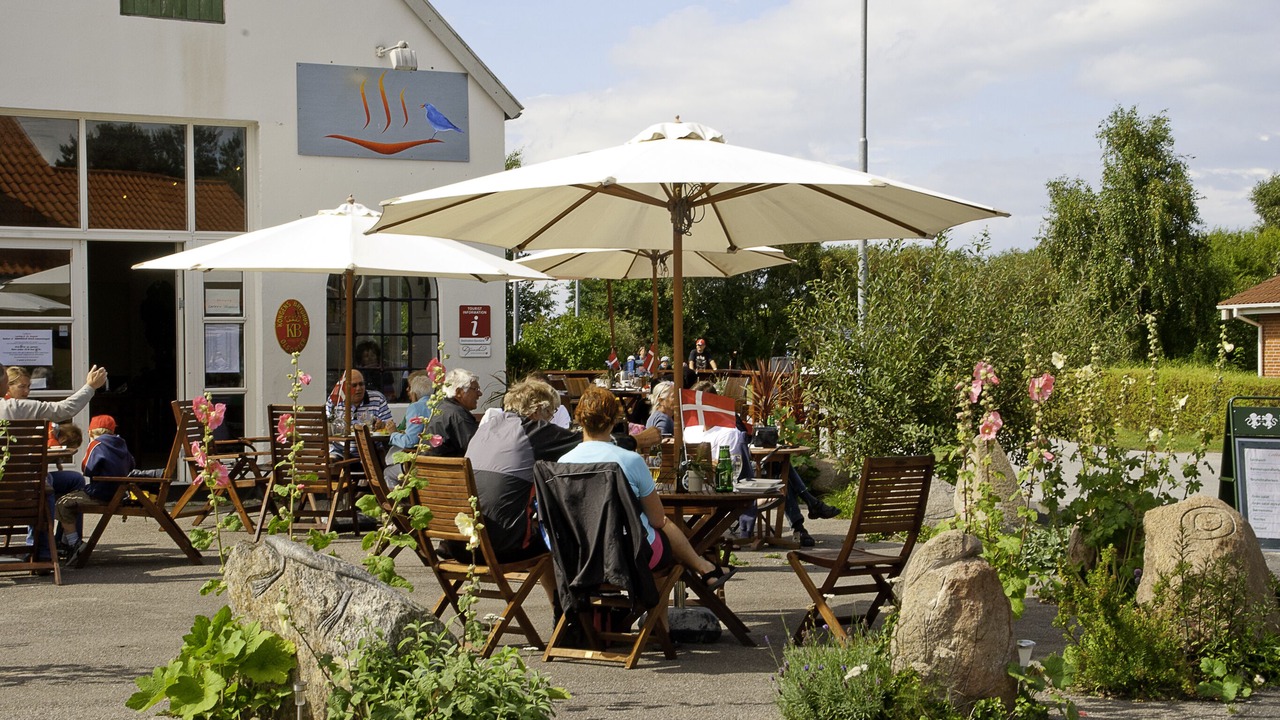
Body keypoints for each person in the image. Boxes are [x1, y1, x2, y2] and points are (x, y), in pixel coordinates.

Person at [558, 386, 736, 590]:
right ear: (615, 420)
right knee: (660, 525)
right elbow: (657, 518)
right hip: (629, 555)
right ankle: (700, 571)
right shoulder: (629, 460)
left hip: (580, 557)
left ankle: (659, 611)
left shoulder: (562, 464)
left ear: (579, 419)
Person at [0, 363, 109, 563]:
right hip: (22, 490)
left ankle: (63, 542)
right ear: (5, 384)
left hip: (8, 490)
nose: (26, 391)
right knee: (44, 482)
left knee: (73, 480)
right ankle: (43, 552)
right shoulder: (16, 407)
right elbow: (62, 410)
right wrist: (90, 387)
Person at [52, 415, 162, 563]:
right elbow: (131, 464)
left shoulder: (96, 445)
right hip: (119, 493)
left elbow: (86, 468)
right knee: (71, 500)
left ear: (91, 432)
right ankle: (65, 543)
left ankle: (73, 543)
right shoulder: (121, 443)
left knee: (63, 503)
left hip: (99, 493)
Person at [382, 371, 434, 488]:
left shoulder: (415, 407)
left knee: (387, 473)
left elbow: (410, 441)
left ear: (414, 394)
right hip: (438, 460)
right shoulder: (439, 404)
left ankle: (397, 504)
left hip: (420, 463)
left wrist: (393, 434)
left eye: (410, 390)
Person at [325, 368, 394, 456]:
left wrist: (382, 425)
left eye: (361, 384)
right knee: (331, 461)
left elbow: (390, 426)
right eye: (354, 385)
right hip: (340, 451)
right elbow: (326, 425)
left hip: (371, 451)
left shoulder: (377, 399)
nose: (359, 388)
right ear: (345, 387)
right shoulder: (336, 400)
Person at [424, 367, 482, 457]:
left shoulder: (440, 407)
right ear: (459, 392)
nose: (479, 394)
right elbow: (476, 448)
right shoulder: (458, 414)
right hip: (450, 469)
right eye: (475, 389)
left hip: (429, 467)